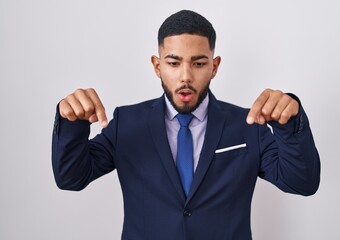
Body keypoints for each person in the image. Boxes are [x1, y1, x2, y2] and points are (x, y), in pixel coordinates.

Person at [52, 10, 320, 240]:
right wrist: (72, 123)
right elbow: (71, 178)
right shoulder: (127, 123)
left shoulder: (248, 125)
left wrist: (289, 123)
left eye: (199, 63)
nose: (185, 76)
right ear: (157, 66)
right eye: (173, 62)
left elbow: (301, 182)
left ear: (214, 67)